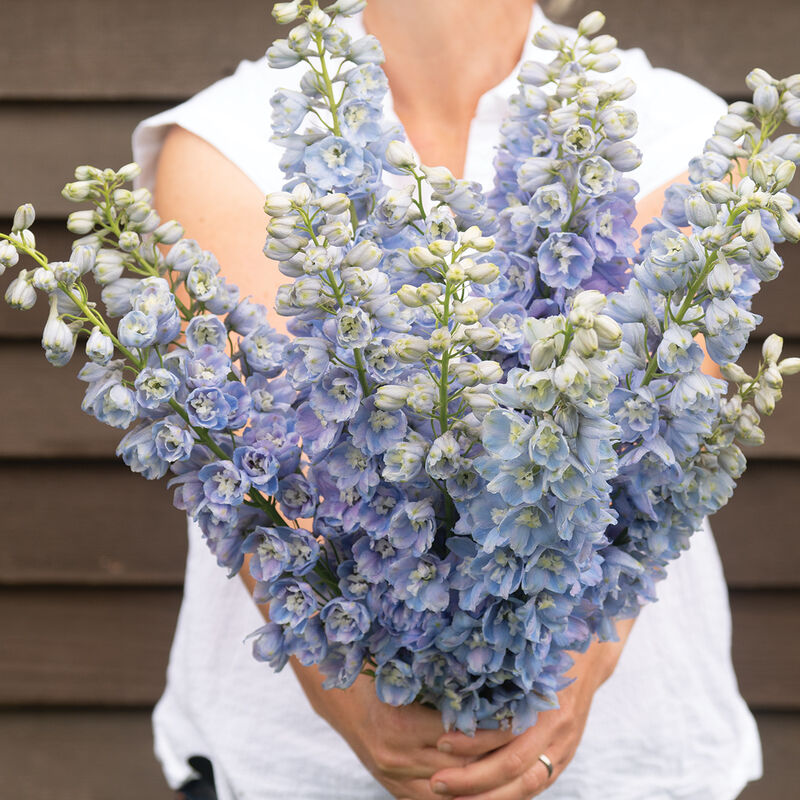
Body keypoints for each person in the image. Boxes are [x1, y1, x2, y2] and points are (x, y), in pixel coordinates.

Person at [132, 1, 764, 798]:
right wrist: (354, 707)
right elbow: (262, 481)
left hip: (626, 759)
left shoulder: (677, 126)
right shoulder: (232, 138)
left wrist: (575, 683)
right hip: (297, 767)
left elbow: (647, 461)